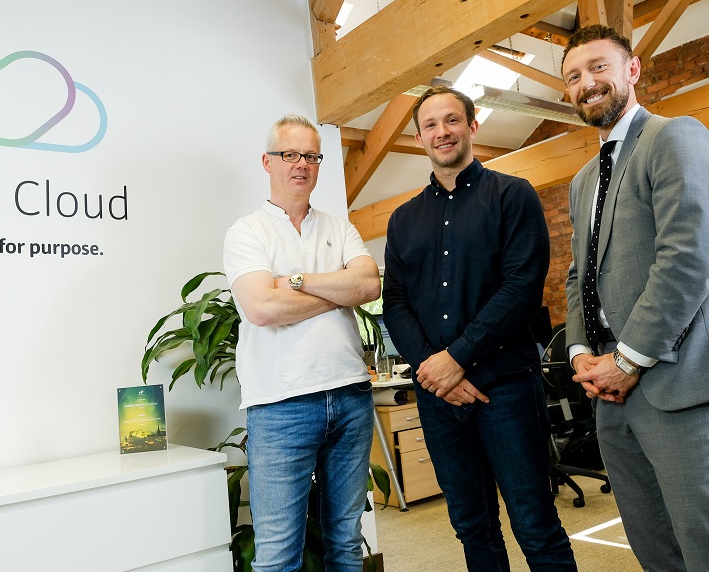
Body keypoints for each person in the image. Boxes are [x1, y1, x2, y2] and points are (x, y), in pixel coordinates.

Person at [562, 24, 709, 571]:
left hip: (683, 383)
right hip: (610, 395)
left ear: (632, 70)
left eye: (599, 67)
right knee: (657, 552)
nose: (587, 83)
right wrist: (581, 353)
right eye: (574, 77)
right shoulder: (584, 179)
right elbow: (577, 276)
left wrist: (628, 359)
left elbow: (688, 257)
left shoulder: (675, 137)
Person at [382, 86, 578, 571]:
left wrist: (456, 359)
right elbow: (395, 303)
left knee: (535, 523)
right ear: (419, 137)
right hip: (438, 398)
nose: (442, 132)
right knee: (471, 526)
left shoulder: (513, 196)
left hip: (506, 389)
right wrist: (432, 370)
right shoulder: (403, 220)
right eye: (431, 124)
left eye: (452, 121)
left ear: (472, 127)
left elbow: (522, 290)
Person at [223, 114, 381, 572]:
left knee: (346, 543)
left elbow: (369, 286)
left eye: (311, 156)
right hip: (280, 407)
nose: (301, 165)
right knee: (277, 556)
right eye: (289, 154)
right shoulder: (247, 231)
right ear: (267, 161)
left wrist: (294, 282)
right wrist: (336, 293)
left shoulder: (340, 227)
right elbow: (262, 310)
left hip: (350, 395)